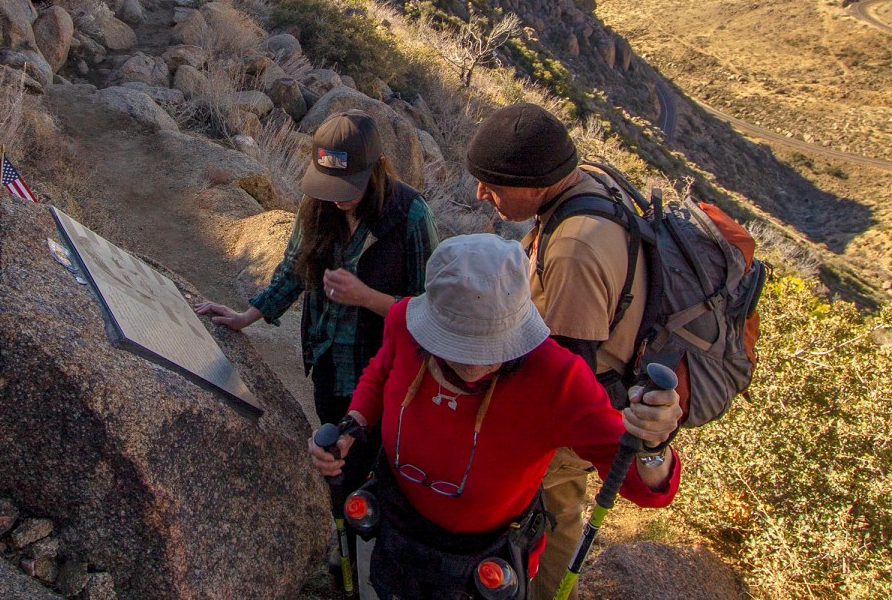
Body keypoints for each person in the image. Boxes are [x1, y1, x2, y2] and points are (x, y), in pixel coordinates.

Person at [308, 233, 681, 600]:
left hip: (483, 560)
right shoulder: (404, 322)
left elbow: (639, 483)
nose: (473, 362)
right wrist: (354, 423)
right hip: (394, 522)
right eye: (455, 343)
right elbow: (381, 371)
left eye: (488, 345)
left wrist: (653, 444)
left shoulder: (556, 377)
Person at [196, 108, 439, 500]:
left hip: (382, 371)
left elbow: (430, 311)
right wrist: (248, 316)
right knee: (332, 452)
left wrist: (366, 297)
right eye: (330, 185)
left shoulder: (409, 215)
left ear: (377, 169)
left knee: (364, 465)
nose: (338, 199)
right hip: (327, 359)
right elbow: (293, 268)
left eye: (349, 186)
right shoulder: (319, 204)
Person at [464, 102, 654, 599]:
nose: (482, 195)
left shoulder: (574, 249)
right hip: (596, 379)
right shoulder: (582, 180)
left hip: (578, 411)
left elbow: (565, 374)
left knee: (552, 508)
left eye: (495, 186)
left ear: (540, 182)